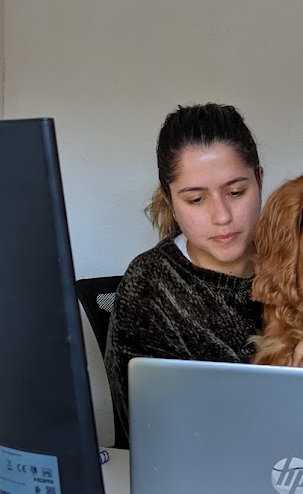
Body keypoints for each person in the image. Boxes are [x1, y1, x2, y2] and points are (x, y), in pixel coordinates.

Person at [104, 103, 267, 444]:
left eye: (236, 192)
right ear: (170, 200)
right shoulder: (150, 287)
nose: (222, 216)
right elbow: (153, 436)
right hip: (209, 481)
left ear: (260, 180)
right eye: (196, 200)